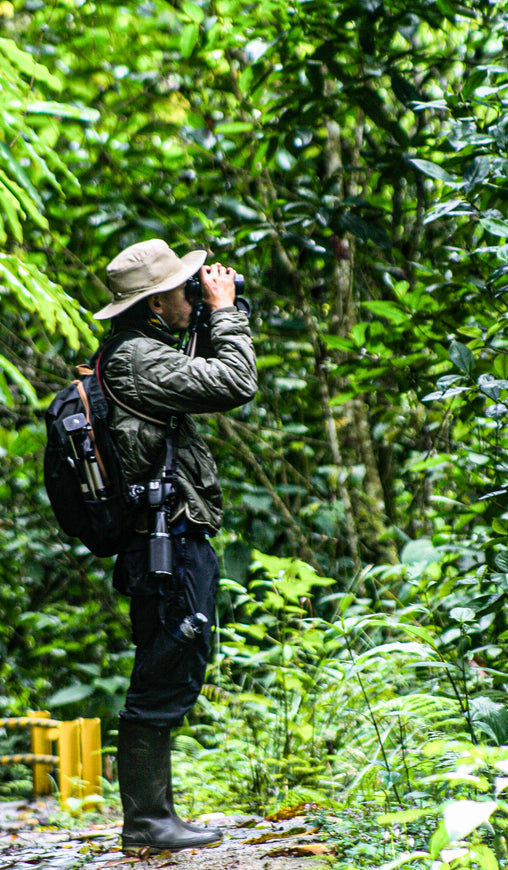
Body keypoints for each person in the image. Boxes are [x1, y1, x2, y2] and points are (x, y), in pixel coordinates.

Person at [93, 238, 257, 853]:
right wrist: (226, 312)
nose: (196, 294)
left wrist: (218, 313)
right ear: (156, 303)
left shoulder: (137, 352)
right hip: (166, 541)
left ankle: (152, 816)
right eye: (186, 289)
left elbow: (201, 370)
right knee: (165, 666)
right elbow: (236, 381)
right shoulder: (137, 358)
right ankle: (146, 820)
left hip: (170, 537)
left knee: (171, 662)